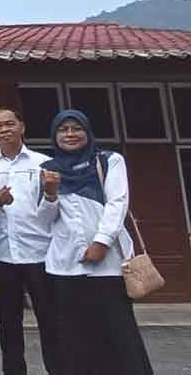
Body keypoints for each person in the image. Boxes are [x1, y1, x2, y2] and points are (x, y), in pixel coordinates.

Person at [38, 109, 154, 375]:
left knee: (118, 330)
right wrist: (50, 193)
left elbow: (117, 203)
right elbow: (45, 220)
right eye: (63, 130)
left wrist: (101, 243)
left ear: (87, 132)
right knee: (76, 335)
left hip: (109, 265)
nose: (70, 134)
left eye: (76, 128)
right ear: (54, 136)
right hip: (66, 265)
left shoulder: (108, 160)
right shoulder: (47, 170)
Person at [0, 108, 58, 375]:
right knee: (9, 322)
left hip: (41, 254)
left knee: (51, 321)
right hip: (2, 255)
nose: (4, 129)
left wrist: (51, 192)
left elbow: (55, 211)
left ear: (22, 127)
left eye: (9, 124)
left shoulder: (44, 164)